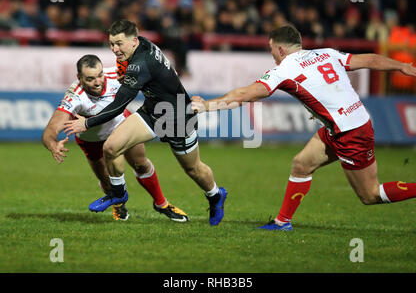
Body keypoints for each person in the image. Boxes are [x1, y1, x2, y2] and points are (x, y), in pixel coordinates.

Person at [191, 25, 416, 231]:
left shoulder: (284, 69)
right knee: (301, 164)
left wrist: (205, 106)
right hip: (344, 125)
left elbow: (243, 95)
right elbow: (369, 60)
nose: (271, 55)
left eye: (271, 50)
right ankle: (282, 222)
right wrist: (402, 66)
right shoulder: (326, 53)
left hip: (350, 133)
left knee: (370, 194)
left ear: (280, 49)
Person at [63, 20, 227, 226]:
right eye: (112, 43)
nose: (114, 49)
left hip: (177, 116)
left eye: (119, 44)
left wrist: (86, 124)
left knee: (193, 169)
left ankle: (215, 195)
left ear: (133, 41)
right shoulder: (142, 45)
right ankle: (118, 194)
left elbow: (117, 105)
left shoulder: (139, 65)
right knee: (111, 147)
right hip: (153, 110)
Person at [43, 54, 188, 222]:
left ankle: (162, 204)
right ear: (79, 78)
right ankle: (118, 203)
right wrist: (53, 145)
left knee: (141, 164)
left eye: (99, 75)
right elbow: (50, 130)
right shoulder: (74, 96)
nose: (97, 82)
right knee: (107, 183)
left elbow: (151, 73)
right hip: (92, 141)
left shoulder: (116, 74)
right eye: (90, 79)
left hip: (122, 125)